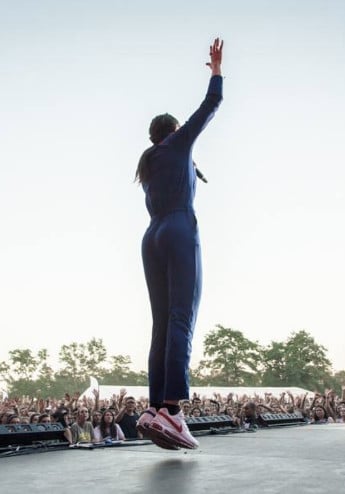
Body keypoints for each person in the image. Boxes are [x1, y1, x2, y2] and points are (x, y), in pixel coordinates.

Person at [135, 37, 224, 451]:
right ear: (171, 131)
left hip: (151, 236)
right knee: (182, 318)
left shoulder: (151, 161)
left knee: (161, 322)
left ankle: (154, 407)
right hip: (178, 228)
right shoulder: (178, 142)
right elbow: (208, 110)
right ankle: (173, 409)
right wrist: (217, 73)